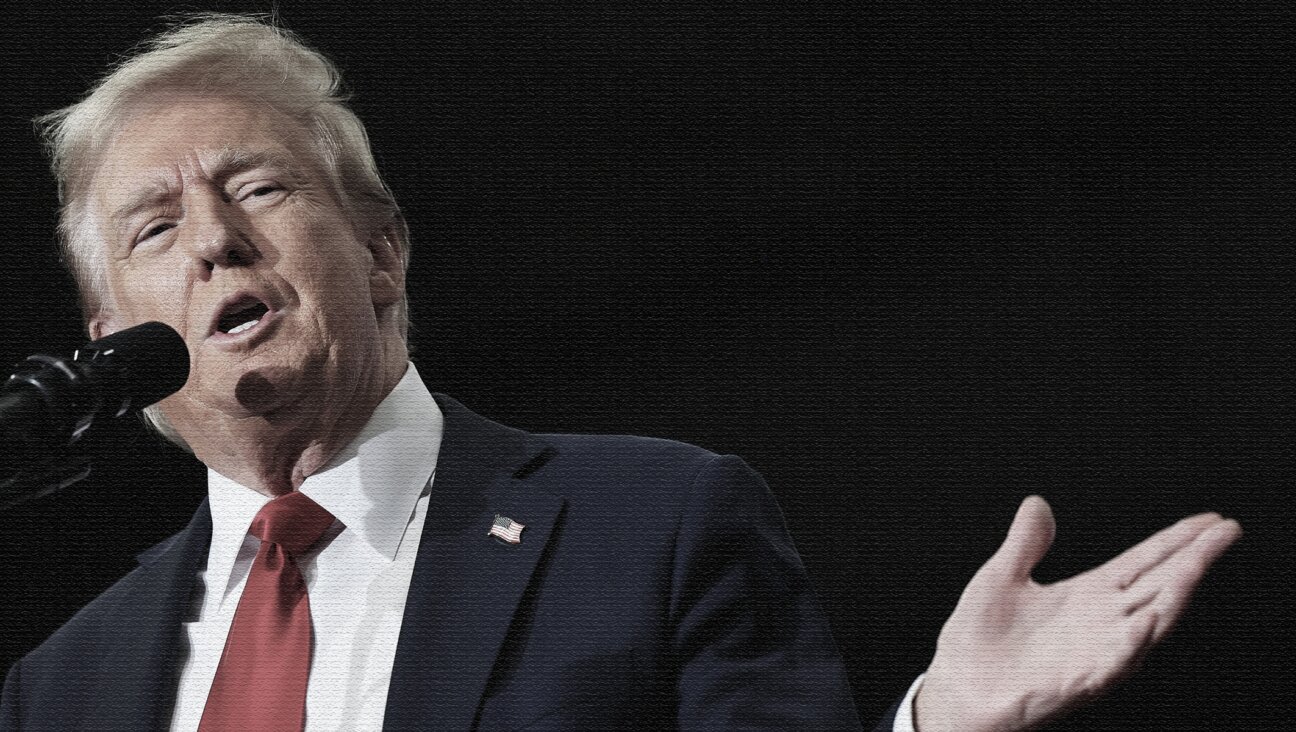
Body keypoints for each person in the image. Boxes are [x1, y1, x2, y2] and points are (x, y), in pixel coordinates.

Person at [0, 14, 1241, 731]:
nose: (214, 238)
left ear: (381, 252)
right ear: (112, 344)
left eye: (259, 186)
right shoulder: (59, 690)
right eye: (153, 228)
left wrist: (932, 729)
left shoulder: (651, 527)